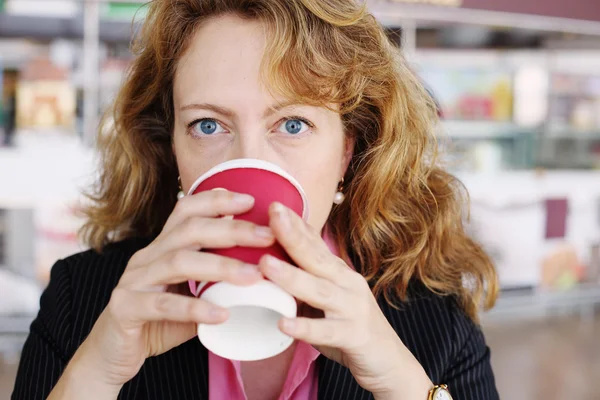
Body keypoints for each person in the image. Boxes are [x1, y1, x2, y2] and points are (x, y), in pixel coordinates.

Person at [12, 1, 499, 399]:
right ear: (173, 150)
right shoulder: (84, 302)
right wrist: (96, 373)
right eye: (208, 125)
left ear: (346, 151)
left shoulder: (437, 325)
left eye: (292, 125)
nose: (249, 160)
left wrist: (404, 385)